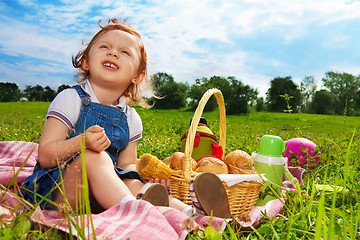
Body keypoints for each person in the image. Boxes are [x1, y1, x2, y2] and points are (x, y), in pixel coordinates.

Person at [20, 19, 231, 219]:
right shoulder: (70, 99)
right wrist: (82, 142)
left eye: (124, 52)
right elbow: (46, 155)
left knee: (132, 182)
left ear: (137, 76)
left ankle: (193, 215)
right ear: (85, 61)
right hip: (57, 192)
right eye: (105, 47)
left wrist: (142, 176)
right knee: (95, 156)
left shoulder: (130, 117)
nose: (113, 53)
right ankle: (138, 215)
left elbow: (127, 163)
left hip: (104, 195)